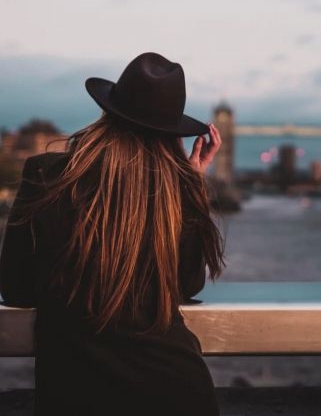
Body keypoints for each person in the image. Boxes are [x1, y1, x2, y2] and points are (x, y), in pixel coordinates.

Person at [0, 52, 226, 416]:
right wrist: (192, 182)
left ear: (107, 113)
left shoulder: (46, 175)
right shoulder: (175, 191)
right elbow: (186, 285)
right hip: (178, 394)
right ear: (172, 136)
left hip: (75, 398)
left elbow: (16, 287)